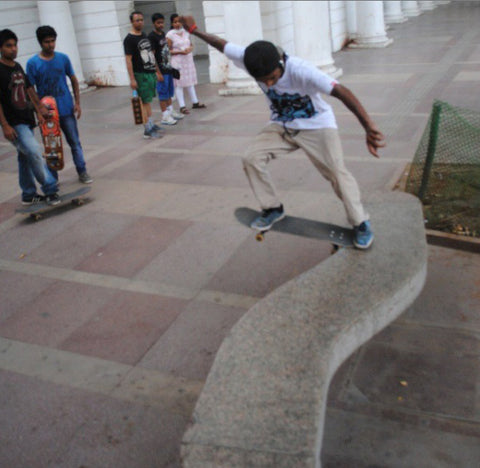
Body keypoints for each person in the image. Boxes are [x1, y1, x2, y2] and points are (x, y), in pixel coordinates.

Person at [179, 16, 386, 249]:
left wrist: (368, 126)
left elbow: (341, 91)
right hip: (282, 126)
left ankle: (360, 223)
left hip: (317, 126)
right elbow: (221, 44)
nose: (268, 85)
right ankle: (272, 208)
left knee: (337, 174)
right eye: (262, 81)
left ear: (281, 63)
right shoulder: (249, 58)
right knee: (251, 157)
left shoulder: (302, 70)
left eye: (273, 79)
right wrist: (194, 30)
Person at [0, 29, 60, 205]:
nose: (13, 49)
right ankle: (50, 189)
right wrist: (5, 125)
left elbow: (29, 89)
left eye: (15, 45)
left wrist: (39, 109)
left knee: (24, 157)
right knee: (33, 152)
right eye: (8, 46)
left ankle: (28, 194)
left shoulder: (17, 66)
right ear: (1, 48)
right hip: (14, 123)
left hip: (26, 119)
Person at [26, 25, 93, 184]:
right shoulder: (33, 63)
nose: (50, 45)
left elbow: (74, 80)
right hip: (47, 115)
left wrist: (77, 103)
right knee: (52, 147)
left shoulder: (63, 58)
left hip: (66, 109)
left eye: (53, 41)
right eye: (47, 42)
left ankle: (82, 171)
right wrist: (39, 109)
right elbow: (30, 90)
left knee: (75, 142)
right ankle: (53, 178)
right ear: (40, 43)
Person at [124, 10, 164, 139]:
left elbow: (151, 54)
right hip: (140, 74)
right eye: (137, 20)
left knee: (148, 101)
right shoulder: (129, 39)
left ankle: (151, 124)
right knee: (144, 102)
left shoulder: (144, 36)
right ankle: (147, 128)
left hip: (149, 73)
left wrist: (157, 71)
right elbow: (128, 60)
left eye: (141, 20)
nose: (140, 22)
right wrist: (132, 79)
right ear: (132, 22)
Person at [148, 13, 185, 126]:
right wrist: (157, 72)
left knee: (169, 92)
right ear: (154, 23)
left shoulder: (163, 34)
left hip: (168, 68)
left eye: (162, 22)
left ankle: (170, 111)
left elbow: (166, 50)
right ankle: (165, 116)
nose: (160, 25)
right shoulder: (152, 37)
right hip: (161, 71)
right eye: (158, 23)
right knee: (163, 93)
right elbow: (152, 56)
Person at [166, 14, 206, 115]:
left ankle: (195, 102)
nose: (177, 24)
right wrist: (180, 52)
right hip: (177, 62)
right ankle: (182, 106)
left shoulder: (186, 32)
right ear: (172, 23)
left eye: (179, 21)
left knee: (190, 81)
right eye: (175, 22)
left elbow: (191, 45)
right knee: (179, 84)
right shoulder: (170, 35)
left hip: (188, 60)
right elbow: (168, 51)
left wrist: (189, 50)